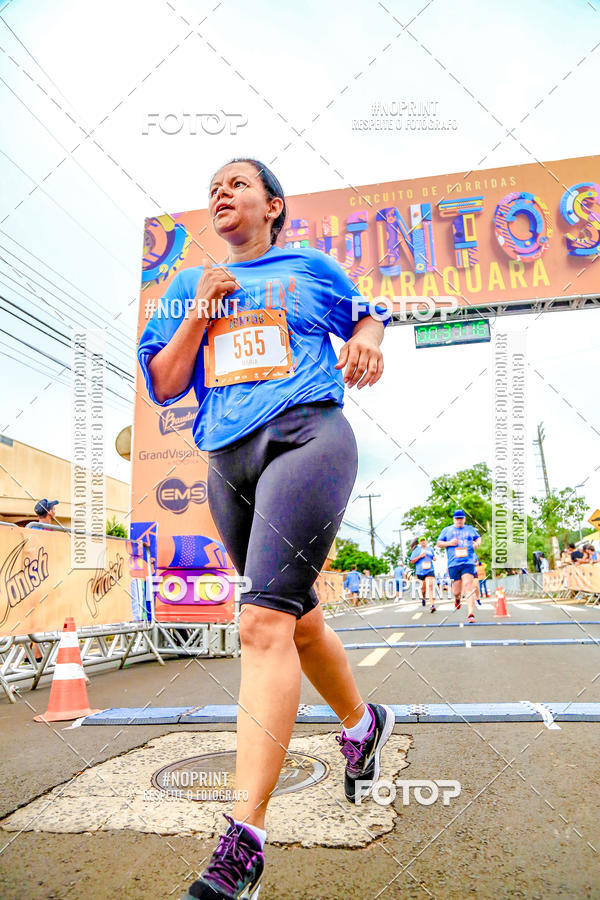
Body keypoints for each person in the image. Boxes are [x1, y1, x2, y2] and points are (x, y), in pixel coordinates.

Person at [138, 158, 395, 900]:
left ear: (273, 206)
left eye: (237, 184)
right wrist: (198, 309)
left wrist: (369, 339)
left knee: (260, 623)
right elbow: (163, 382)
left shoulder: (310, 266)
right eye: (212, 185)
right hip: (226, 460)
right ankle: (361, 720)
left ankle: (243, 841)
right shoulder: (188, 284)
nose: (220, 192)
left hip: (305, 437)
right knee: (297, 619)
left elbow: (364, 313)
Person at [437, 509, 481, 623]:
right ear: (453, 519)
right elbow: (439, 543)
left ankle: (471, 614)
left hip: (468, 562)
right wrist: (450, 543)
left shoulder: (470, 529)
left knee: (468, 586)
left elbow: (478, 538)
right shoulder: (447, 530)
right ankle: (457, 599)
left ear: (464, 519)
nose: (459, 521)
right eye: (457, 519)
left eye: (461, 519)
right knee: (456, 591)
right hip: (454, 563)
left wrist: (476, 544)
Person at [410, 537, 436, 613]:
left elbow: (433, 557)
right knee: (423, 589)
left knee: (430, 586)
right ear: (419, 543)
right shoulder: (416, 550)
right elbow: (411, 561)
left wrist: (434, 558)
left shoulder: (430, 549)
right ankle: (423, 598)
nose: (423, 542)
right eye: (421, 541)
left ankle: (432, 605)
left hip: (430, 570)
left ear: (426, 541)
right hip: (420, 572)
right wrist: (420, 556)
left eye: (424, 540)